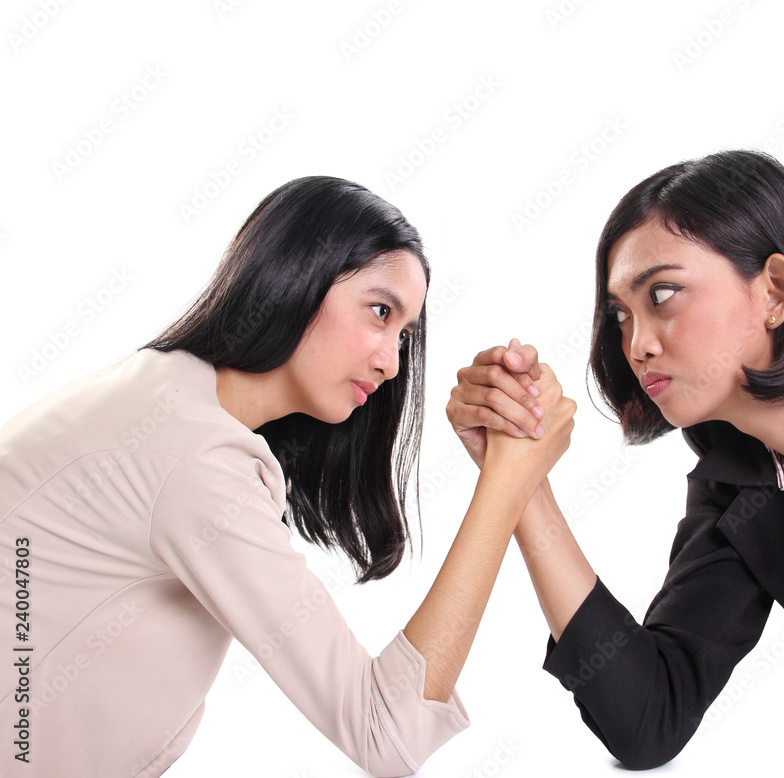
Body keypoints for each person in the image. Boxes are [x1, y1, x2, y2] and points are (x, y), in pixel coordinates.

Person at [0, 176, 575, 777]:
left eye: (404, 334)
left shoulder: (161, 395)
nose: (392, 360)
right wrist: (508, 480)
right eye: (380, 311)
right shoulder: (193, 457)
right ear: (296, 275)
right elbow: (389, 734)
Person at [447, 150, 784, 769]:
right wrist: (522, 481)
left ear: (775, 290)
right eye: (619, 316)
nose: (637, 343)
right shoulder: (743, 494)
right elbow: (649, 716)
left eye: (663, 294)